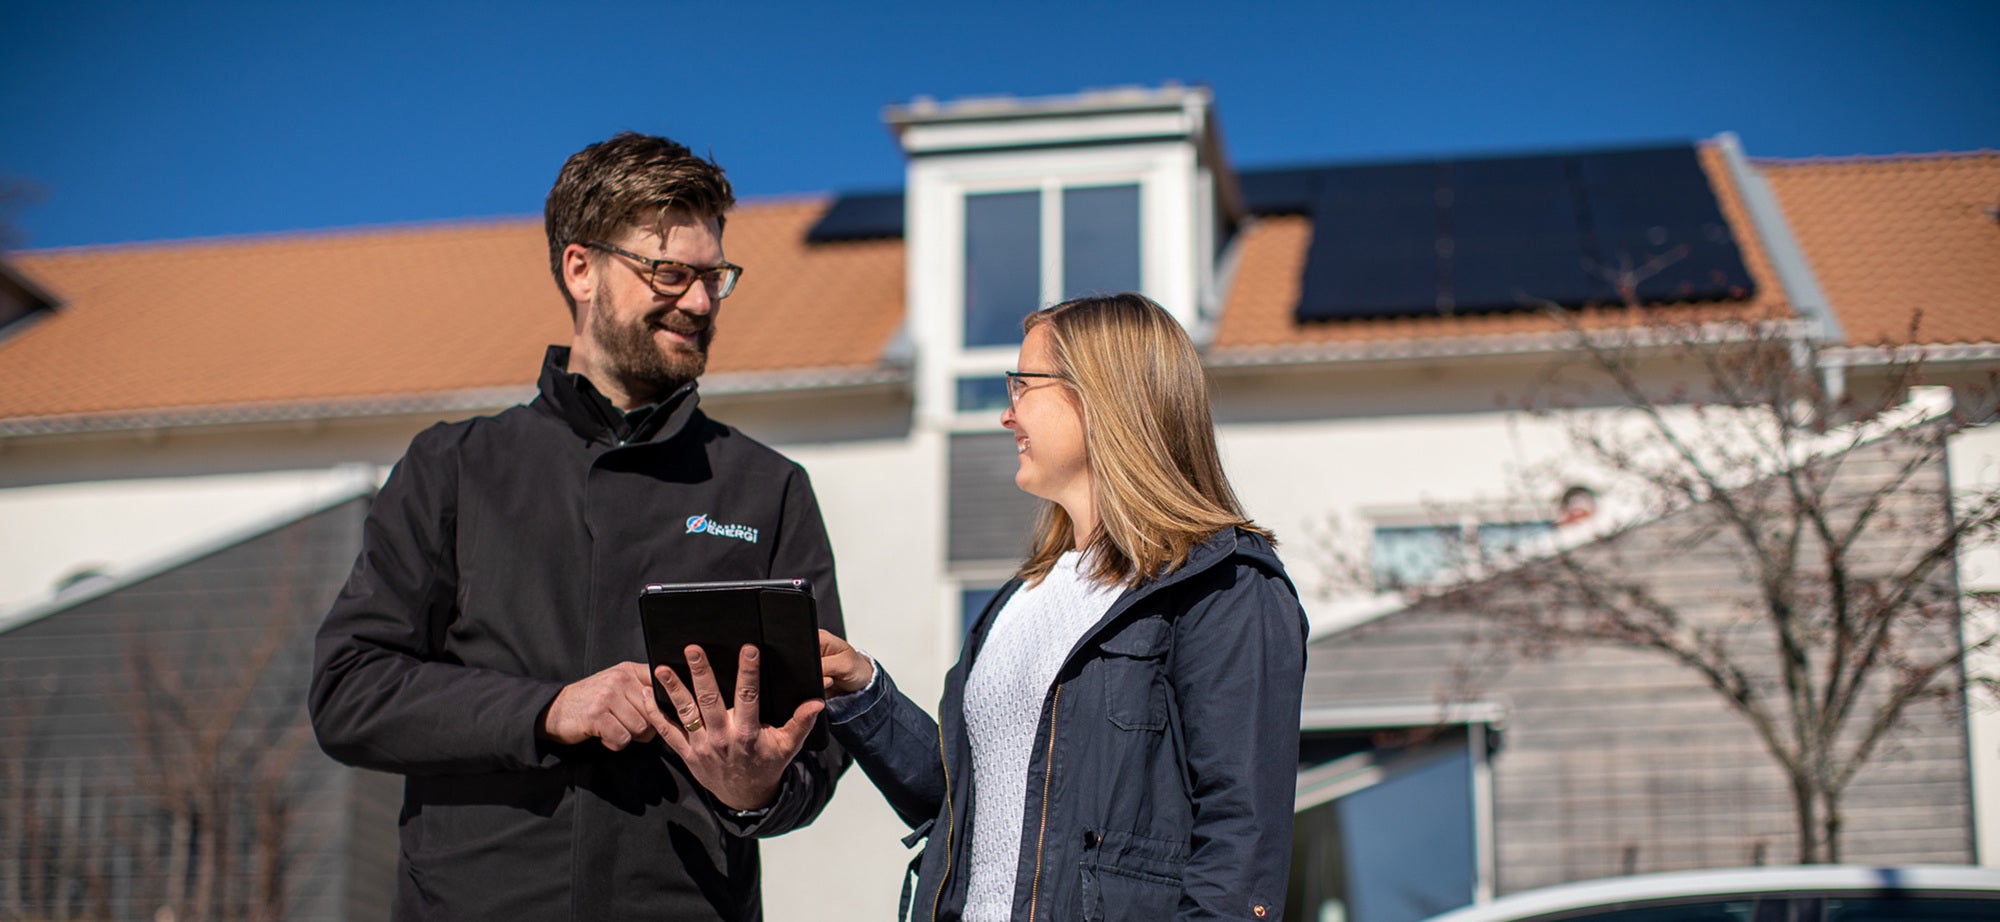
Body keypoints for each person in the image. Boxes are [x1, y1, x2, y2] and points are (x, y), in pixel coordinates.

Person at [309, 132, 846, 921]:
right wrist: (547, 710)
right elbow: (349, 689)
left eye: (713, 278)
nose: (700, 304)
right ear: (580, 269)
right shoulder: (454, 468)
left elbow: (817, 740)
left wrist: (757, 788)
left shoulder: (767, 489)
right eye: (669, 274)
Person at [812, 293, 1308, 922]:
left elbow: (1239, 850)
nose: (1006, 413)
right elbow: (971, 812)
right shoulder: (1020, 599)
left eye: (1023, 385)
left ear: (1102, 394)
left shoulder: (1223, 589)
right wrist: (863, 693)